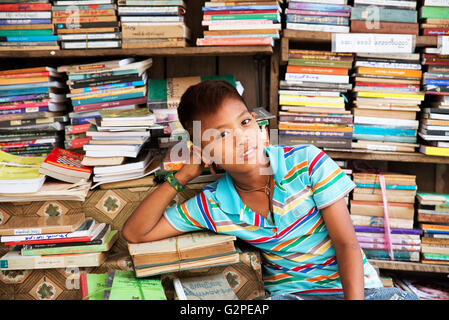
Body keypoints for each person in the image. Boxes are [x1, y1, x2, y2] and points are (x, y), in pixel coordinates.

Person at [122, 80, 418, 300]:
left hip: (357, 291)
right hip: (290, 297)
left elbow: (346, 244)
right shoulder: (213, 204)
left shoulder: (306, 162)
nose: (241, 139)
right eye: (222, 135)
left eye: (245, 122)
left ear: (259, 125)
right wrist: (183, 176)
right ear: (203, 151)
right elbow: (136, 233)